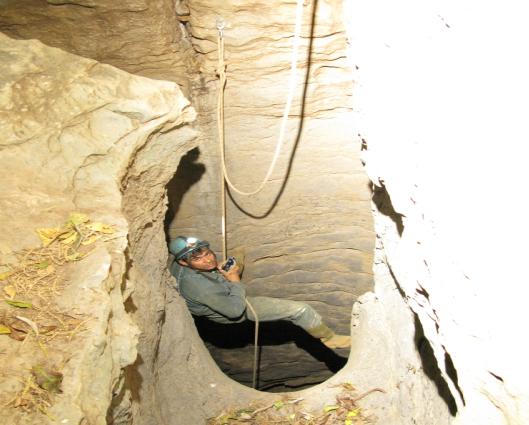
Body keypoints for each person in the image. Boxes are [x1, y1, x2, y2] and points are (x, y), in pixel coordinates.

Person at [168, 236, 351, 349]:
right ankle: (329, 338)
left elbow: (204, 269)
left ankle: (233, 269)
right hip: (231, 309)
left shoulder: (181, 265)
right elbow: (234, 311)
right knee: (300, 310)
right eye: (198, 259)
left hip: (215, 293)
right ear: (184, 262)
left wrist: (220, 272)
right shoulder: (199, 287)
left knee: (230, 266)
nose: (208, 260)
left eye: (207, 253)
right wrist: (234, 281)